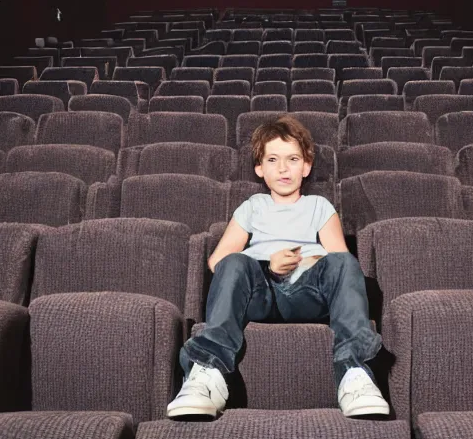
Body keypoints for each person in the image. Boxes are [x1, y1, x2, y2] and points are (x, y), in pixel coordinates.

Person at [167, 115, 390, 419]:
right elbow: (217, 261)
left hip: (308, 292)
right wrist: (266, 266)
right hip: (261, 293)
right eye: (273, 159)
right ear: (260, 168)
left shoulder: (319, 207)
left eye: (292, 159)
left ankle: (355, 375)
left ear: (306, 166)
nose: (283, 168)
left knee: (343, 262)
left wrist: (310, 260)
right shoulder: (253, 206)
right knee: (233, 262)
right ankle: (207, 374)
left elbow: (340, 261)